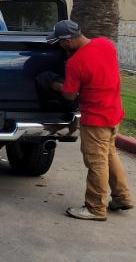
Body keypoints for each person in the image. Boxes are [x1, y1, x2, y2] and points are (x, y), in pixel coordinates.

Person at [47, 20, 133, 221]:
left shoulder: (75, 63)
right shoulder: (105, 44)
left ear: (67, 41)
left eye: (59, 43)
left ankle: (95, 207)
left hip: (95, 120)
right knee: (109, 155)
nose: (59, 47)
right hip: (113, 113)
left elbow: (69, 94)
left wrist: (54, 85)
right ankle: (122, 197)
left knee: (96, 162)